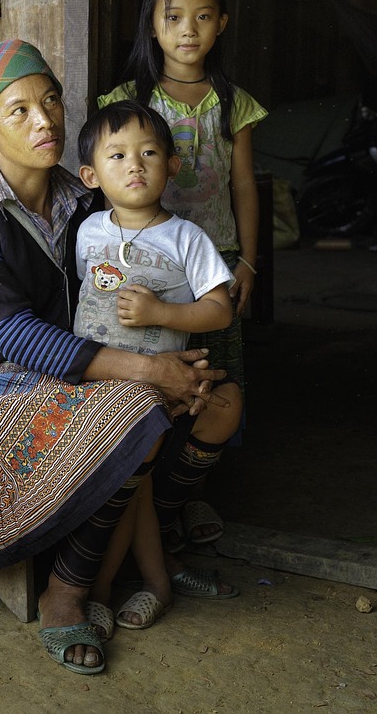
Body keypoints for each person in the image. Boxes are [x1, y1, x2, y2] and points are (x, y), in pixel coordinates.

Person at [0, 40, 222, 675]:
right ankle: (67, 594)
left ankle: (146, 557)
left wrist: (175, 358)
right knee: (133, 406)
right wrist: (151, 369)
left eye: (50, 100)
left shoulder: (80, 204)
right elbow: (16, 336)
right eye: (18, 111)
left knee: (190, 399)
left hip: (48, 381)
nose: (45, 120)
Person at [99, 0, 268, 551]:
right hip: (149, 266)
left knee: (214, 382)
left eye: (201, 17)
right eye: (173, 18)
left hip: (214, 265)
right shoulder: (129, 100)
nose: (187, 30)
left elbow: (244, 184)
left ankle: (186, 495)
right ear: (152, 26)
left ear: (221, 24)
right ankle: (142, 493)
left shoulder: (234, 103)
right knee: (156, 380)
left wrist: (247, 260)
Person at [73, 100, 241, 631]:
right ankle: (156, 582)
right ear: (91, 175)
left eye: (148, 153)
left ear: (172, 165)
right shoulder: (88, 233)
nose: (134, 165)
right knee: (134, 477)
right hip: (98, 386)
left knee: (139, 471)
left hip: (160, 388)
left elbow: (220, 309)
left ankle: (111, 588)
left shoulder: (185, 237)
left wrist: (160, 312)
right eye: (117, 156)